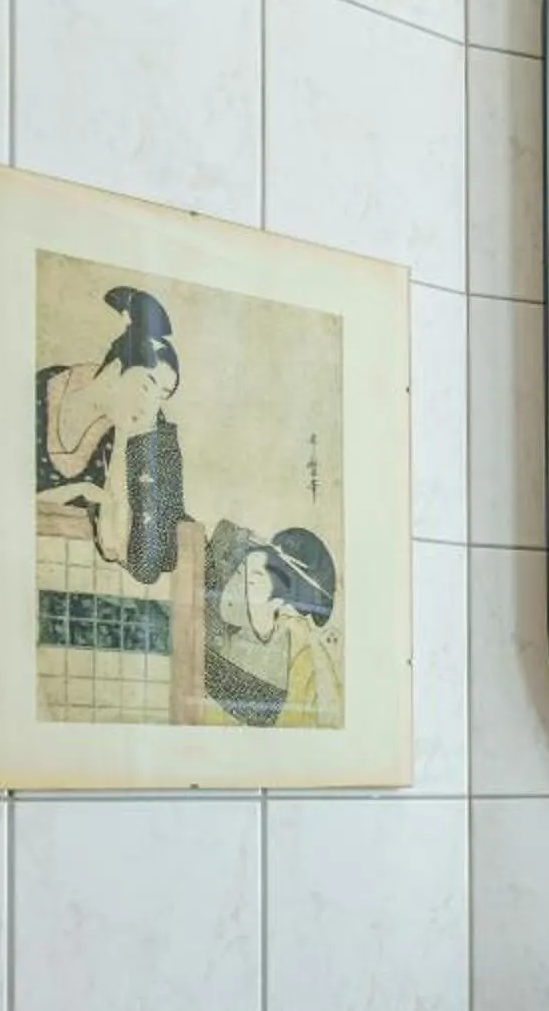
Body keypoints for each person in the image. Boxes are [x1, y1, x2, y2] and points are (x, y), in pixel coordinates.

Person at [35, 284, 186, 583]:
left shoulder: (130, 431)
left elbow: (126, 551)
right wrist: (77, 491)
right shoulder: (42, 390)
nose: (150, 407)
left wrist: (123, 448)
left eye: (162, 396)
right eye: (147, 385)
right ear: (116, 367)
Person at [202, 522, 342, 730]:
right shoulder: (229, 636)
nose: (238, 588)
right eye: (240, 574)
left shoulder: (303, 660)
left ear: (282, 603)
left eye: (252, 582)